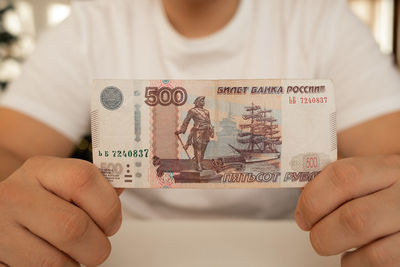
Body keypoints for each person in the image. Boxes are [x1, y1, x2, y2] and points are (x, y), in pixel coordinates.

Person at [0, 0, 399, 266]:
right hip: (131, 245)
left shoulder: (321, 19)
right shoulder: (90, 25)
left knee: (203, 154)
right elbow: (10, 149)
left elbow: (390, 154)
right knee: (196, 155)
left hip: (285, 247)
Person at [175, 96, 214, 171]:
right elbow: (186, 121)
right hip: (197, 131)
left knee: (203, 149)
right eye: (202, 101)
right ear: (197, 102)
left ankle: (200, 163)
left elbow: (209, 122)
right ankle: (198, 165)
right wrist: (181, 130)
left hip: (206, 131)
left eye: (204, 101)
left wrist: (211, 131)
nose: (203, 102)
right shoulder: (192, 111)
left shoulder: (206, 111)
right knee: (197, 148)